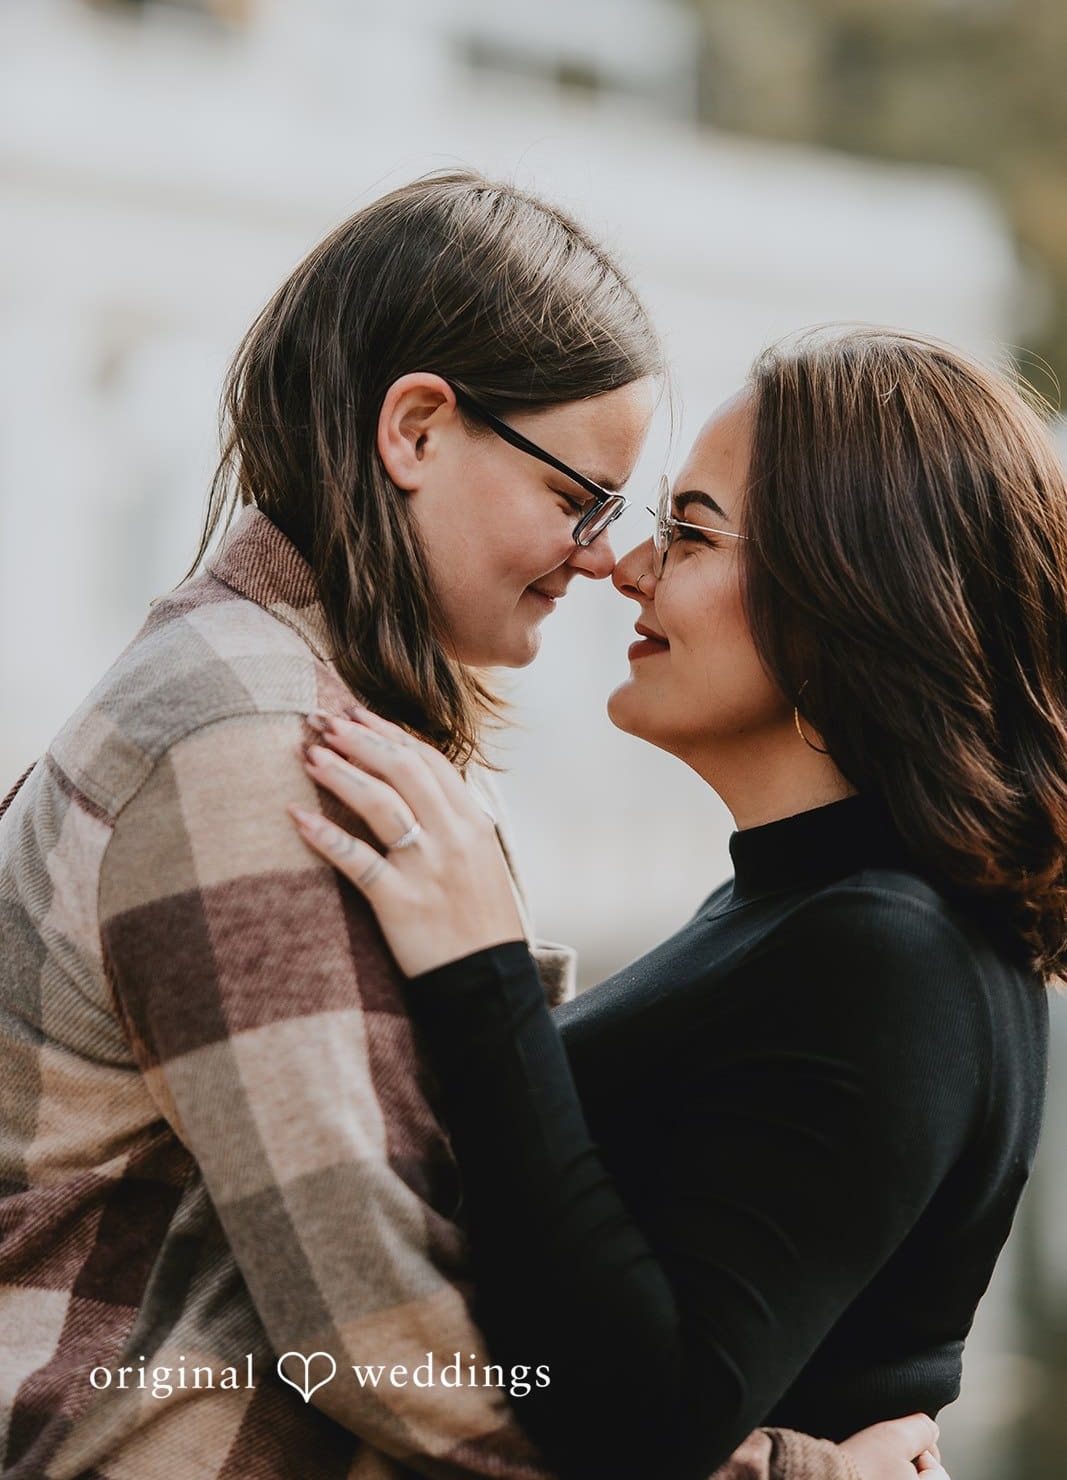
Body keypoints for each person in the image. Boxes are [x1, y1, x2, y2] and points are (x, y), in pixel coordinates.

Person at [0, 177, 930, 1480]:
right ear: (419, 430)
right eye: (581, 497)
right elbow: (376, 1335)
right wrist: (787, 1471)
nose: (605, 557)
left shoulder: (288, 710)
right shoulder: (249, 751)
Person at [289, 327, 1063, 1479]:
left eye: (690, 528)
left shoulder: (887, 953)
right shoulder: (810, 912)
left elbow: (640, 1419)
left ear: (846, 602)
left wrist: (481, 968)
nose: (626, 565)